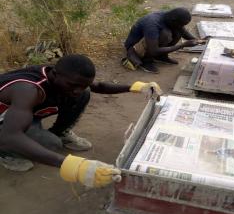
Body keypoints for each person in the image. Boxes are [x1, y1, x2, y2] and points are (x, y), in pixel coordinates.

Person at [0, 54, 162, 188]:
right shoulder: (28, 90)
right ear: (55, 75)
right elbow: (11, 136)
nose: (77, 90)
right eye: (73, 85)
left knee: (84, 94)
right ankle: (5, 153)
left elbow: (98, 86)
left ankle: (60, 132)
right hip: (7, 123)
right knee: (50, 145)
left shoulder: (63, 76)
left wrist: (136, 87)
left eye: (82, 84)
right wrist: (76, 167)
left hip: (21, 112)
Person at [122, 7, 204, 74]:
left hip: (151, 44)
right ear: (173, 20)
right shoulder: (152, 24)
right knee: (166, 35)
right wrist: (182, 45)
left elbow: (184, 32)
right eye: (181, 24)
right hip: (135, 46)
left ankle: (161, 56)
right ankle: (146, 60)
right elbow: (154, 50)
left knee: (178, 31)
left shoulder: (169, 17)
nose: (182, 26)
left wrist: (198, 40)